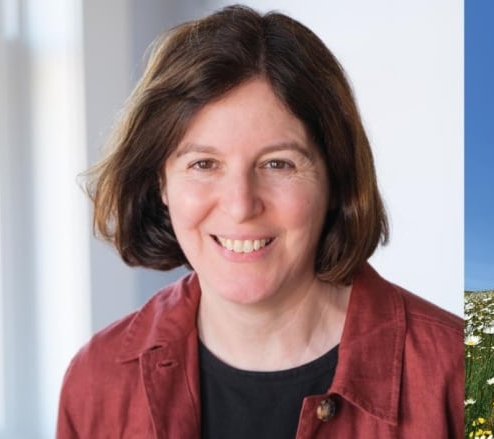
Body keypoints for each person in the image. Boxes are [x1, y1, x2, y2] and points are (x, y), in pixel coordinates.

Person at [57, 4, 463, 438]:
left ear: (335, 179)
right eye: (203, 163)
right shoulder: (97, 382)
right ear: (160, 182)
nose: (240, 205)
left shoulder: (456, 375)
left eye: (277, 165)